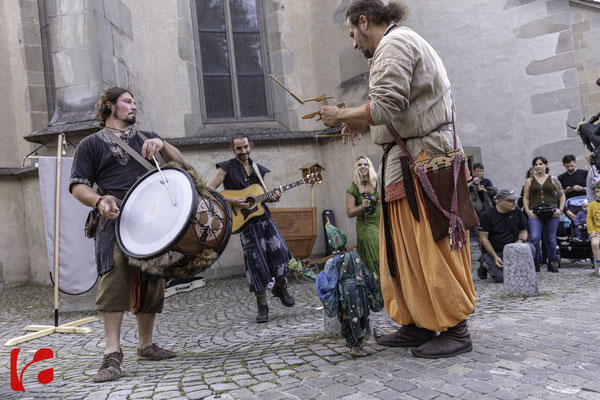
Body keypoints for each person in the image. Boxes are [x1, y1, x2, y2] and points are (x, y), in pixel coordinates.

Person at [320, 0, 476, 359]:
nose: (354, 43)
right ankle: (419, 322)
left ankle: (456, 328)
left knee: (431, 245)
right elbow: (396, 108)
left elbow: (387, 104)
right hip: (406, 160)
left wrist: (342, 113)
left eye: (353, 34)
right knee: (404, 251)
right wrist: (359, 119)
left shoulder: (395, 43)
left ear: (364, 22)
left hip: (424, 159)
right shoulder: (393, 46)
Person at [70, 87, 184, 382]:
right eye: (128, 101)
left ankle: (146, 345)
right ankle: (112, 354)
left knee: (152, 279)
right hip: (114, 220)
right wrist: (98, 201)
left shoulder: (146, 136)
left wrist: (161, 143)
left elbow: (179, 161)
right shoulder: (91, 144)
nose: (134, 106)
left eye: (134, 101)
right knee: (115, 278)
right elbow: (78, 185)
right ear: (110, 106)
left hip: (151, 223)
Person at [207, 135, 294, 323]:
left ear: (250, 146)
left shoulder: (257, 169)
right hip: (246, 224)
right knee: (256, 263)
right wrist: (230, 200)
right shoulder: (226, 167)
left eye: (246, 147)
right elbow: (209, 190)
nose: (244, 151)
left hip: (264, 219)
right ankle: (262, 306)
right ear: (233, 149)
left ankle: (280, 287)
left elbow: (264, 194)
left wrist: (274, 196)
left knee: (281, 253)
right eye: (239, 148)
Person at [315, 222, 383, 357]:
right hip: (360, 292)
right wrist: (373, 286)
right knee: (361, 315)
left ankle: (354, 346)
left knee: (347, 319)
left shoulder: (336, 260)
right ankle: (359, 343)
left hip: (346, 295)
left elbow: (330, 281)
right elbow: (367, 274)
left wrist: (318, 278)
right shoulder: (355, 255)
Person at [478, 189, 532, 283]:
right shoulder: (487, 215)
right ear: (500, 201)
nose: (515, 203)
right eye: (511, 201)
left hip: (512, 249)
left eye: (515, 200)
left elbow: (523, 231)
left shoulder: (517, 211)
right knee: (501, 278)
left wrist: (520, 242)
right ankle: (485, 264)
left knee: (530, 248)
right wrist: (494, 256)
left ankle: (514, 267)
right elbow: (483, 238)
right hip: (495, 251)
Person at [522, 156, 566, 273]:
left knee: (550, 238)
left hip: (552, 213)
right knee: (535, 238)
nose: (538, 166)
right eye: (536, 164)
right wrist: (527, 210)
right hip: (535, 213)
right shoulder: (529, 181)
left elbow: (562, 195)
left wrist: (560, 209)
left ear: (546, 165)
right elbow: (525, 198)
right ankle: (536, 261)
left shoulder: (553, 179)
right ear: (533, 166)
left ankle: (551, 262)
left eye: (541, 164)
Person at [346, 156, 381, 279]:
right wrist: (361, 206)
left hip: (381, 223)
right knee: (375, 247)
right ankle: (378, 282)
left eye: (365, 164)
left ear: (370, 167)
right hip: (365, 226)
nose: (363, 167)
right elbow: (350, 213)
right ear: (356, 168)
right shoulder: (353, 188)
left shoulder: (378, 182)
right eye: (359, 165)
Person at [587, 182, 600, 273]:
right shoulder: (592, 205)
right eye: (597, 191)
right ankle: (599, 265)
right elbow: (589, 220)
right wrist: (591, 232)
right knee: (594, 244)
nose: (599, 194)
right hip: (596, 231)